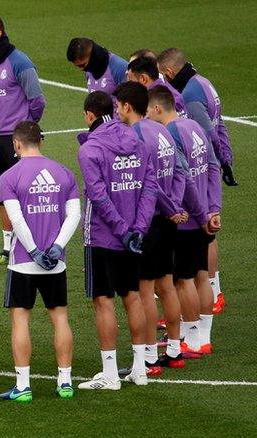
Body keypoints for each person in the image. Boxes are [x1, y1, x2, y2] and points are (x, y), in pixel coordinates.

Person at [76, 91, 158, 390]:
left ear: (89, 115)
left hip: (103, 236)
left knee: (103, 301)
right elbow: (150, 186)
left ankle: (110, 375)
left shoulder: (90, 150)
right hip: (136, 235)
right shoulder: (138, 140)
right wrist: (138, 228)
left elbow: (97, 196)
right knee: (132, 296)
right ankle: (139, 369)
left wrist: (122, 230)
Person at [0, 121, 80, 402]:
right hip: (56, 263)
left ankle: (23, 386)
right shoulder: (64, 173)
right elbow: (74, 216)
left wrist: (32, 251)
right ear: (40, 142)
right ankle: (65, 382)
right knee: (60, 318)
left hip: (23, 262)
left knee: (21, 320)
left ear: (17, 144)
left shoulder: (9, 176)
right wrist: (56, 247)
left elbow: (16, 219)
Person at [114, 82, 190, 374]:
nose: (117, 111)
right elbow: (180, 171)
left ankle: (147, 357)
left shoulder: (134, 135)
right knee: (166, 285)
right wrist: (177, 206)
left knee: (144, 290)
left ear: (127, 107)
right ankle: (173, 349)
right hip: (168, 221)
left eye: (118, 106)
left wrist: (170, 207)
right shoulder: (162, 129)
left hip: (150, 219)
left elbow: (148, 183)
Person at [146, 86, 221, 359]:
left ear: (156, 109)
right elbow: (213, 166)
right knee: (202, 276)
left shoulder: (171, 133)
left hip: (189, 219)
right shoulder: (194, 126)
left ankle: (190, 339)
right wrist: (214, 208)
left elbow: (185, 178)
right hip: (205, 212)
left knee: (183, 281)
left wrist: (200, 215)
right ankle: (204, 338)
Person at [158, 47, 233, 315]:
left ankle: (196, 322)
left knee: (188, 274)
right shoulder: (204, 82)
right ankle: (210, 303)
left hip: (194, 197)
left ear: (168, 72)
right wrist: (226, 157)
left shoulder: (189, 96)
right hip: (207, 179)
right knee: (204, 252)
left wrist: (221, 157)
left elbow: (209, 135)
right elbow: (218, 125)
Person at [0, 13, 47, 267]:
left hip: (16, 139)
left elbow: (37, 101)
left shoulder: (20, 62)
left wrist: (27, 129)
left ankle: (32, 244)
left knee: (23, 193)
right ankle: (7, 249)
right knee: (1, 194)